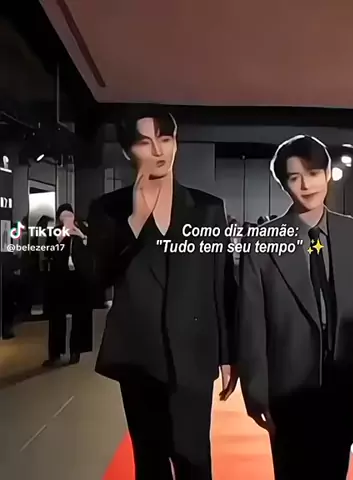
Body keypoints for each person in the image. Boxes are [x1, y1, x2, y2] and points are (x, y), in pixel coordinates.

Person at [237, 135, 353, 480]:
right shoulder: (261, 244)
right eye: (294, 177)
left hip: (340, 386)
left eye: (313, 173)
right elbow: (251, 322)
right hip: (287, 392)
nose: (306, 185)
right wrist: (255, 392)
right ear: (283, 183)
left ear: (327, 174)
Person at [87, 104, 237, 480]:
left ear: (176, 143)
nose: (158, 151)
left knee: (195, 461)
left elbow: (222, 283)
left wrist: (229, 353)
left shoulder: (208, 209)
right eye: (144, 142)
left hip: (194, 353)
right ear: (128, 152)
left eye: (165, 139)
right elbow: (95, 280)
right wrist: (135, 223)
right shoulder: (108, 210)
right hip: (138, 357)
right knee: (150, 463)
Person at [43, 204, 93, 366]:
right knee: (56, 316)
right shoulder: (54, 232)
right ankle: (55, 353)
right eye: (63, 216)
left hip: (78, 279)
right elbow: (48, 252)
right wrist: (60, 238)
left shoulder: (82, 230)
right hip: (59, 278)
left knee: (80, 315)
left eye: (69, 215)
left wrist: (81, 236)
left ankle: (75, 351)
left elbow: (92, 250)